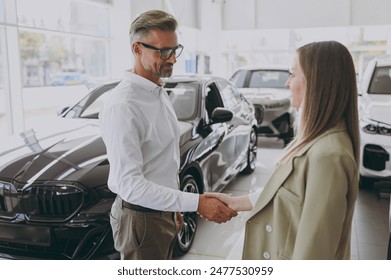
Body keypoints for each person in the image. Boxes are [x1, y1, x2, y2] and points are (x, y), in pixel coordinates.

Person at [100, 10, 237, 260]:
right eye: (163, 52)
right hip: (141, 219)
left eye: (175, 50)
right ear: (137, 49)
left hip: (161, 211)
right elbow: (131, 185)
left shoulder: (157, 90)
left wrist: (175, 207)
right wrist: (195, 203)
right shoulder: (124, 105)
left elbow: (162, 162)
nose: (172, 59)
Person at [207, 40, 360, 260]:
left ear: (317, 82)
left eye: (293, 74)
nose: (287, 83)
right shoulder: (317, 141)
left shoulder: (329, 157)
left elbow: (314, 254)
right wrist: (237, 202)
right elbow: (293, 195)